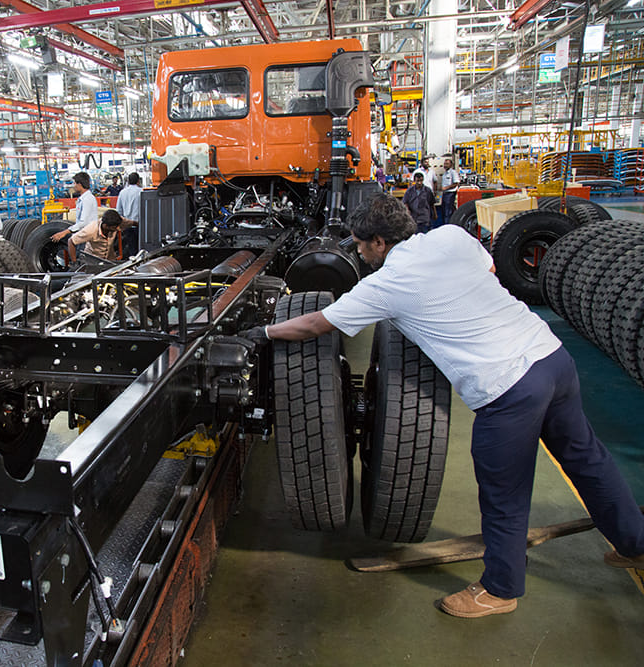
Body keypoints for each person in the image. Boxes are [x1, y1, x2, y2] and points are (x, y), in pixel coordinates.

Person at [243, 194, 644, 618]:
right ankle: (635, 544)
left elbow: (316, 323)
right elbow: (489, 269)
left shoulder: (386, 285)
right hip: (551, 358)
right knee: (587, 459)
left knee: (504, 494)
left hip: (508, 388)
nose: (359, 253)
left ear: (379, 242)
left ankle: (500, 590)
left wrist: (264, 332)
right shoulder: (451, 236)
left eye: (360, 245)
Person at [51, 172, 97, 244]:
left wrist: (64, 233)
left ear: (79, 184)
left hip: (88, 237)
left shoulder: (87, 199)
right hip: (84, 235)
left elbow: (83, 223)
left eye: (74, 183)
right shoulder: (83, 199)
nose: (74, 186)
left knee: (71, 243)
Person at [116, 172, 143, 256]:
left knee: (131, 248)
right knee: (141, 249)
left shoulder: (122, 192)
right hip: (139, 225)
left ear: (128, 181)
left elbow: (119, 210)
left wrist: (121, 224)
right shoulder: (141, 192)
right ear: (138, 181)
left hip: (127, 225)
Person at [438, 156, 460, 227]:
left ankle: (448, 226)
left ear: (451, 165)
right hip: (445, 194)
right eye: (445, 164)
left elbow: (456, 183)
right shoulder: (445, 173)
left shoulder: (453, 172)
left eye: (447, 164)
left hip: (450, 194)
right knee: (444, 211)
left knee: (448, 212)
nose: (445, 165)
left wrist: (446, 188)